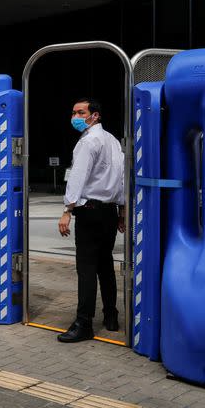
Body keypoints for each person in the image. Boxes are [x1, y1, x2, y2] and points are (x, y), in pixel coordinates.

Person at [57, 97, 125, 343]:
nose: (74, 116)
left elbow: (78, 176)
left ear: (94, 115)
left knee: (86, 269)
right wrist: (123, 210)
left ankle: (84, 323)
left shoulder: (88, 142)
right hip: (109, 212)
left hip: (89, 210)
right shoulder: (113, 141)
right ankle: (111, 316)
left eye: (80, 112)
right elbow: (121, 178)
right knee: (105, 265)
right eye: (73, 112)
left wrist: (68, 209)